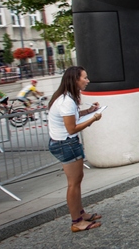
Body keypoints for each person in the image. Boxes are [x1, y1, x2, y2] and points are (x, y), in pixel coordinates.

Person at [47, 66, 103, 232]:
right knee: (74, 184)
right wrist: (93, 118)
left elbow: (72, 118)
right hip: (66, 143)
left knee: (77, 181)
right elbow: (71, 128)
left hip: (64, 143)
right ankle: (76, 222)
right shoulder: (67, 102)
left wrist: (89, 111)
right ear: (75, 79)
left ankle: (81, 214)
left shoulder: (66, 98)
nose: (87, 81)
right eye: (84, 78)